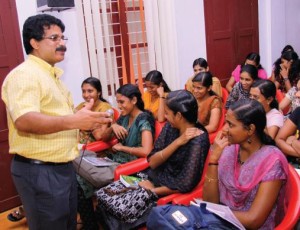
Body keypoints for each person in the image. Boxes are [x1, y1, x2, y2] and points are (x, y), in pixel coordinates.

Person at [1, 14, 112, 230]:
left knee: (66, 224)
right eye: (54, 38)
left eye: (63, 37)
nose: (62, 44)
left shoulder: (51, 77)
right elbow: (24, 120)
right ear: (34, 43)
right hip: (40, 171)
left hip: (62, 167)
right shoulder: (25, 75)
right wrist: (74, 121)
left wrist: (83, 120)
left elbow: (58, 119)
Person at [96, 90, 210, 229]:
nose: (164, 117)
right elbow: (153, 161)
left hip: (164, 191)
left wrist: (153, 191)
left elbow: (185, 184)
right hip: (150, 176)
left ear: (179, 115)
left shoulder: (198, 140)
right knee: (104, 200)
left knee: (116, 217)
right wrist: (178, 142)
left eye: (167, 113)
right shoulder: (171, 126)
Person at [77, 83, 155, 230]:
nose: (119, 106)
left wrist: (122, 147)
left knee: (82, 177)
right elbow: (104, 138)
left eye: (122, 102)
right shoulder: (124, 118)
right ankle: (91, 224)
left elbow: (147, 151)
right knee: (78, 180)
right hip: (114, 161)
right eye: (117, 102)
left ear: (134, 100)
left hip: (131, 167)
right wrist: (112, 126)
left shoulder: (143, 119)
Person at [203, 99, 289, 229]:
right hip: (221, 220)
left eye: (230, 125)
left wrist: (213, 213)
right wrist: (213, 161)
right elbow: (210, 201)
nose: (224, 129)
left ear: (250, 129)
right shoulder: (229, 149)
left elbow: (254, 220)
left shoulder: (272, 161)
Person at [76, 77, 113, 144]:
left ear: (99, 92)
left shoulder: (105, 108)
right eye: (83, 91)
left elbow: (99, 136)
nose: (86, 95)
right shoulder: (82, 105)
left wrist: (89, 120)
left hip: (92, 148)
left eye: (90, 91)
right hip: (76, 144)